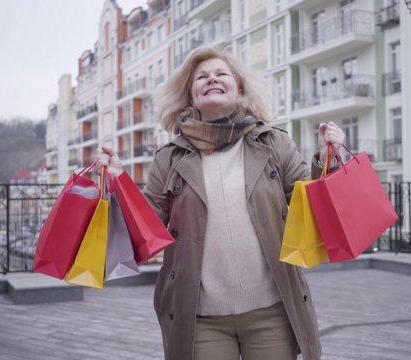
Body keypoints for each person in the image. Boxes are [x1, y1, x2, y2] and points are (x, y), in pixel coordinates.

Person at [96, 47, 344, 360]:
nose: (211, 78)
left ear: (240, 90)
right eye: (201, 77)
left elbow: (310, 207)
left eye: (221, 74)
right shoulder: (168, 159)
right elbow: (145, 229)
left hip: (272, 311)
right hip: (200, 319)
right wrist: (117, 184)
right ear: (190, 97)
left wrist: (326, 161)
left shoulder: (274, 143)